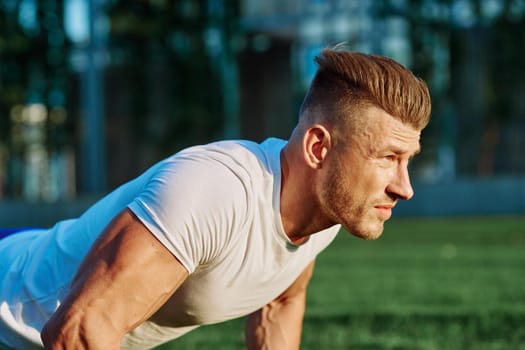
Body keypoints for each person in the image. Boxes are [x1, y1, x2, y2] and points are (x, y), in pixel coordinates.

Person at [0, 47, 431, 350]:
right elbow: (78, 333)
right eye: (387, 158)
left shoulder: (324, 211)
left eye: (407, 159)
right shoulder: (215, 191)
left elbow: (280, 301)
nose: (404, 186)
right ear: (319, 149)